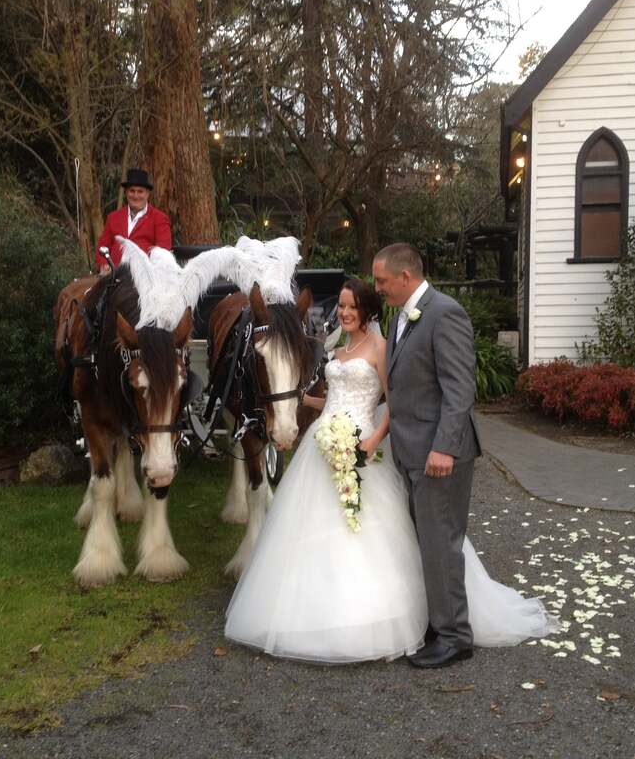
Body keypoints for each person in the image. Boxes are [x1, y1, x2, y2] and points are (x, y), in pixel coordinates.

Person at [224, 273, 558, 665]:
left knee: (370, 530)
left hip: (362, 443)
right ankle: (310, 609)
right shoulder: (339, 347)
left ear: (367, 310)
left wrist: (373, 438)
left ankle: (391, 618)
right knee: (309, 529)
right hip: (324, 444)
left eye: (352, 306)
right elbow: (332, 398)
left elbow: (394, 400)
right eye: (341, 307)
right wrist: (303, 403)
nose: (345, 313)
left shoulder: (382, 347)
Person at [96, 168, 172, 273]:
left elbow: (163, 252)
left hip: (144, 279)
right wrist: (103, 264)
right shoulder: (113, 217)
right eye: (132, 191)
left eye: (140, 191)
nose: (136, 196)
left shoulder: (159, 218)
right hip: (112, 278)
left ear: (147, 194)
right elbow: (102, 246)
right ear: (126, 192)